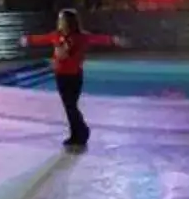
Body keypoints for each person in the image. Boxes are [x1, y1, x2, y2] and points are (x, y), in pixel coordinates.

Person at [24, 9, 122, 150]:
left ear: (68, 22)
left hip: (74, 75)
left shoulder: (81, 37)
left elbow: (98, 38)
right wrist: (28, 40)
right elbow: (42, 38)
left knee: (71, 106)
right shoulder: (56, 36)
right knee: (69, 107)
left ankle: (81, 131)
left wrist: (112, 40)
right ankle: (76, 134)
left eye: (61, 19)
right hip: (60, 76)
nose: (59, 22)